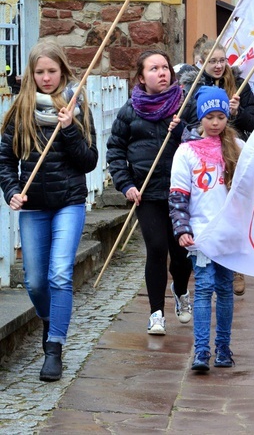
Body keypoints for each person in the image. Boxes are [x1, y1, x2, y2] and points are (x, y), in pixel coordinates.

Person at [0, 40, 98, 382]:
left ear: (63, 71)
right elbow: (5, 159)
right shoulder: (19, 109)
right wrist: (12, 191)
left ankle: (54, 347)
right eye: (39, 72)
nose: (45, 78)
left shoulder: (77, 106)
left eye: (51, 71)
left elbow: (89, 161)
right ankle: (49, 320)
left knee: (59, 274)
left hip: (69, 202)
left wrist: (70, 128)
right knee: (35, 280)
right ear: (31, 73)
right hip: (35, 207)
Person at [107, 50, 196, 336]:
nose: (162, 72)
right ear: (141, 77)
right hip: (146, 193)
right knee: (157, 249)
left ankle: (180, 290)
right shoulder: (129, 111)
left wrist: (181, 129)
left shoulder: (184, 106)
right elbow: (115, 150)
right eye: (154, 68)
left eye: (165, 67)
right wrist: (126, 184)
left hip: (180, 193)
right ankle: (156, 312)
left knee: (181, 252)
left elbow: (202, 139)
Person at [169, 86, 243, 372]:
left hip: (228, 232)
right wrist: (182, 228)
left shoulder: (237, 147)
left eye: (220, 117)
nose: (215, 123)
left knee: (225, 288)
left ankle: (223, 347)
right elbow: (177, 194)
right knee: (204, 288)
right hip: (200, 231)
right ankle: (202, 350)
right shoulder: (186, 152)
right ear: (200, 117)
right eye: (209, 116)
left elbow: (252, 182)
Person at [182, 39, 254, 296]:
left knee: (233, 203)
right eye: (211, 61)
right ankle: (205, 256)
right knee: (208, 204)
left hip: (232, 153)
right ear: (201, 63)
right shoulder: (191, 85)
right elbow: (188, 118)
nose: (218, 65)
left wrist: (235, 113)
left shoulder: (239, 84)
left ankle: (235, 266)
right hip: (202, 154)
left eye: (221, 60)